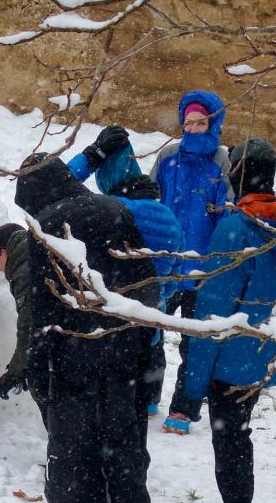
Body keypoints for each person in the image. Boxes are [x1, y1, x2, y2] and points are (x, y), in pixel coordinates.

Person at [16, 153, 159, 503]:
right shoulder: (116, 209)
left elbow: (42, 306)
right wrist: (145, 346)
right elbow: (145, 280)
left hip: (72, 356)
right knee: (125, 448)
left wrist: (37, 368)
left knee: (74, 459)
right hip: (123, 347)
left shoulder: (46, 228)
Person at [185, 138, 276, 503]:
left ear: (237, 177)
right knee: (238, 431)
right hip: (265, 350)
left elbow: (213, 311)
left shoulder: (235, 230)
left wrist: (193, 383)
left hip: (229, 360)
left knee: (230, 440)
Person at [68, 125, 184, 418]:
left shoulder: (108, 210)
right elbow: (174, 276)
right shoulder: (168, 217)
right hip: (148, 329)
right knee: (135, 419)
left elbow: (54, 190)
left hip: (108, 330)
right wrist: (155, 300)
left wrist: (90, 157)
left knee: (107, 414)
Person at [149, 91, 233, 435]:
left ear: (213, 124)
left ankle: (184, 408)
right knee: (149, 330)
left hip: (203, 266)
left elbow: (228, 209)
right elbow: (152, 196)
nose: (194, 129)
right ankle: (147, 393)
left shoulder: (223, 160)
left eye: (201, 123)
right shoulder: (169, 155)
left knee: (193, 341)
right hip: (166, 261)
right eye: (188, 123)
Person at [0, 223, 48, 429]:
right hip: (78, 344)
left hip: (55, 352)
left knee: (51, 400)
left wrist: (16, 371)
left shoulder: (25, 272)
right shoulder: (41, 251)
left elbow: (29, 328)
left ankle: (65, 459)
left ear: (4, 252)